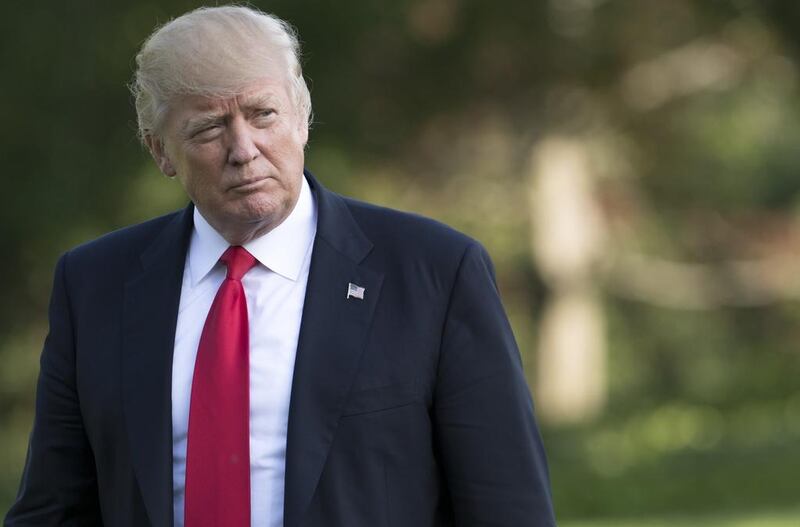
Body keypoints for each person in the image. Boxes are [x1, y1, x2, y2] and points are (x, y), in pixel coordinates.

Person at [5, 6, 556, 527]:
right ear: (160, 151)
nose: (243, 148)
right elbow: (54, 508)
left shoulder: (434, 272)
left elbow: (507, 506)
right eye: (208, 128)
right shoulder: (96, 284)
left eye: (263, 114)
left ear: (302, 118)